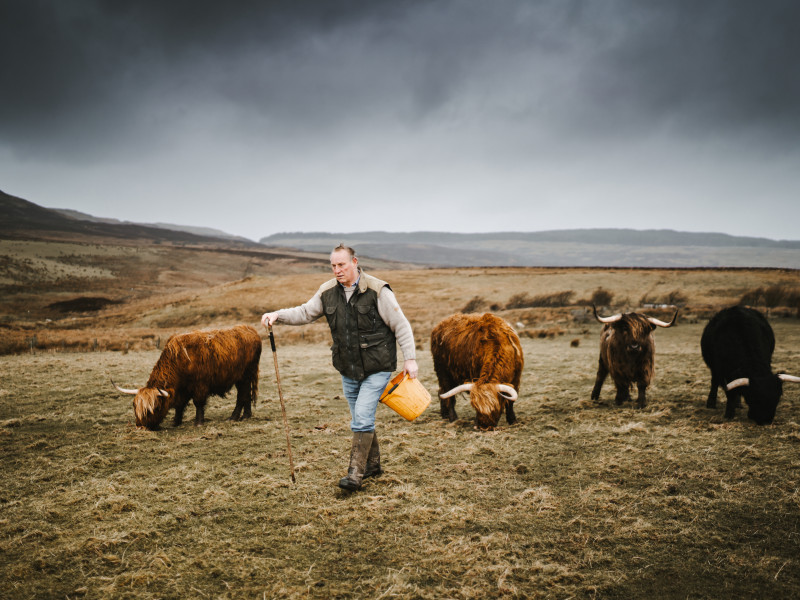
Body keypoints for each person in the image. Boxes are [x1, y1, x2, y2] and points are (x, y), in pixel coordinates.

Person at [261, 244, 419, 491]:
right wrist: (277, 315)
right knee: (359, 418)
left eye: (341, 264)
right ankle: (373, 464)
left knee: (363, 417)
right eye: (333, 266)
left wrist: (410, 359)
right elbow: (305, 312)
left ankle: (355, 475)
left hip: (378, 365)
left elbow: (401, 324)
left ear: (354, 262)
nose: (337, 270)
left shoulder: (378, 290)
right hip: (348, 367)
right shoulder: (327, 292)